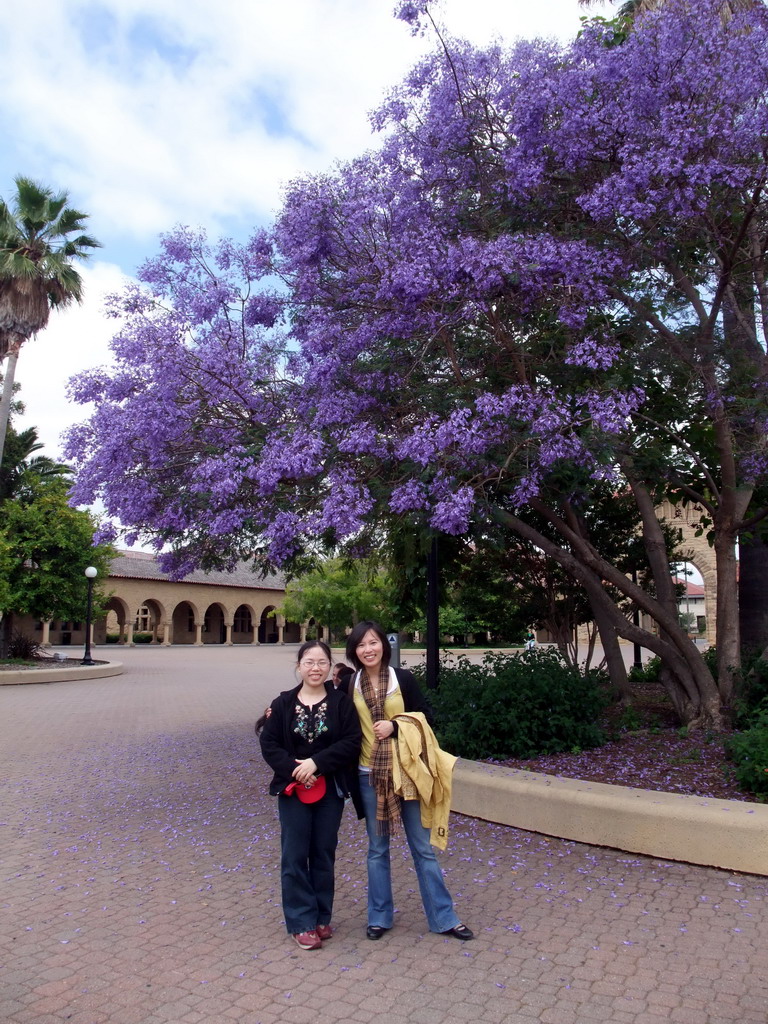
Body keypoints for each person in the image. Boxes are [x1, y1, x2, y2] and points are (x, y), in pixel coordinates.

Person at [341, 621, 473, 942]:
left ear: (384, 645)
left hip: (407, 773)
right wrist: (278, 710)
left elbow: (426, 714)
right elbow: (331, 719)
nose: (368, 649)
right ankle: (379, 916)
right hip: (368, 775)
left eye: (373, 642)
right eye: (361, 645)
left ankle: (444, 917)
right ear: (354, 652)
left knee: (423, 848)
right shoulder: (348, 684)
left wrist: (396, 726)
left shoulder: (403, 679)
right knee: (377, 849)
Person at [258, 640, 362, 950]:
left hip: (329, 789)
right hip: (293, 791)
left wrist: (317, 763)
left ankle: (321, 916)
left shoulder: (342, 704)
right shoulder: (283, 704)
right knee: (294, 854)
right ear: (299, 666)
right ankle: (301, 921)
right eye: (309, 662)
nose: (315, 668)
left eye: (321, 662)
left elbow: (351, 742)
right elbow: (270, 744)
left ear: (331, 667)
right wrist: (295, 769)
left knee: (323, 852)